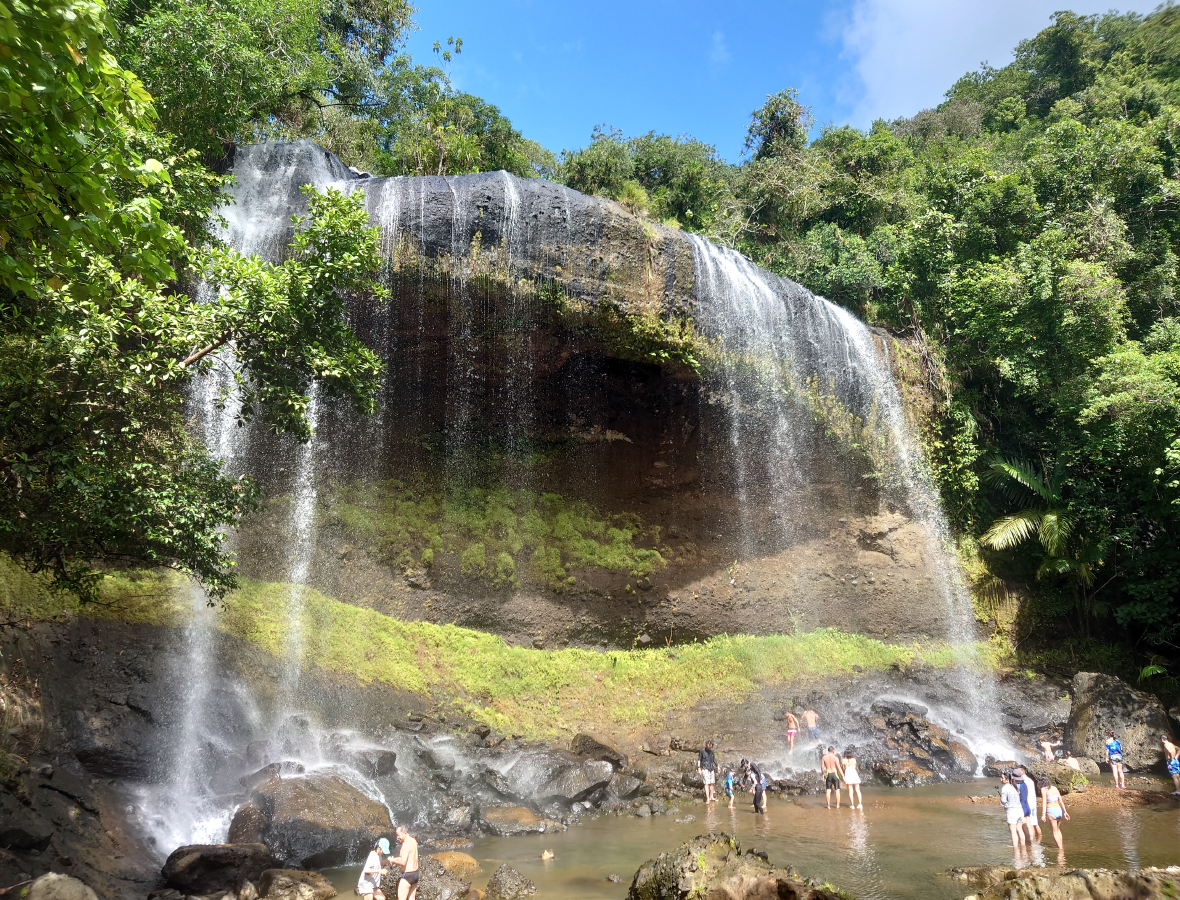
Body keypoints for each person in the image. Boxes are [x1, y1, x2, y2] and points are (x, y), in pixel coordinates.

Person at [388, 825, 419, 900]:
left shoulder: (405, 845)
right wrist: (395, 859)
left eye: (398, 835)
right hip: (415, 874)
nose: (397, 837)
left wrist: (393, 861)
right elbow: (407, 858)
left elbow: (403, 862)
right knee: (412, 898)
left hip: (407, 875)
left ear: (405, 833)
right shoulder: (413, 840)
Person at [1039, 774, 1069, 849]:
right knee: (1058, 830)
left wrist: (1043, 815)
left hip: (1051, 811)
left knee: (1054, 832)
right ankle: (1061, 846)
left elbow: (1044, 802)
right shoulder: (1055, 788)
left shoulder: (1043, 789)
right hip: (1059, 810)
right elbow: (1061, 801)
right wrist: (1065, 812)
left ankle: (1060, 849)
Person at [1013, 766, 1041, 843]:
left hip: (1027, 803)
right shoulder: (1030, 780)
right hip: (1033, 803)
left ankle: (1032, 842)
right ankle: (1039, 840)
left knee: (1030, 824)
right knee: (1035, 823)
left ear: (1022, 772)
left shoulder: (1023, 781)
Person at [999, 771, 1026, 848]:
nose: (1001, 779)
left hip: (1012, 811)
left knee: (1013, 832)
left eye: (1002, 778)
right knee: (1020, 830)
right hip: (1020, 810)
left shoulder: (1005, 788)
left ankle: (1016, 850)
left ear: (1007, 779)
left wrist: (1002, 803)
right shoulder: (1014, 786)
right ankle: (1023, 848)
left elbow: (1003, 801)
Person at [821, 745, 844, 809]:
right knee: (837, 790)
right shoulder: (835, 757)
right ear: (833, 751)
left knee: (828, 790)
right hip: (835, 774)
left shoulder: (824, 757)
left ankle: (828, 806)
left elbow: (822, 767)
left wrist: (823, 774)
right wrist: (843, 776)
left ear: (828, 751)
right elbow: (839, 767)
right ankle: (837, 806)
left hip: (828, 774)